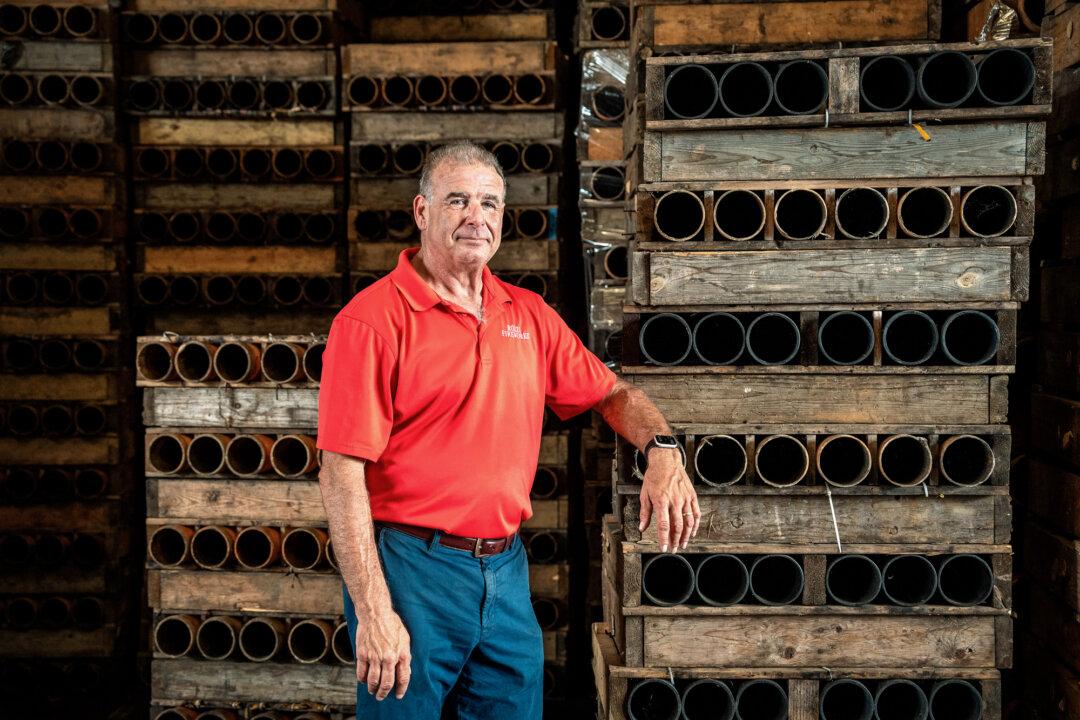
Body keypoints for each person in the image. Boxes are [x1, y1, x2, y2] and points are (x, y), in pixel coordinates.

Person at [316, 141, 700, 719]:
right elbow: (340, 471)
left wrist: (663, 451)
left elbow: (614, 394)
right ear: (422, 212)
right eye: (459, 201)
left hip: (504, 572)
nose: (477, 217)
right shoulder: (372, 323)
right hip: (412, 572)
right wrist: (373, 611)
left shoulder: (528, 314)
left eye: (490, 204)